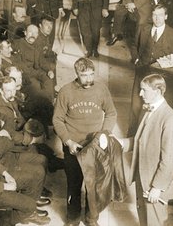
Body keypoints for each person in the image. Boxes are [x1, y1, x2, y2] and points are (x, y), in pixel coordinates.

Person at [53, 57, 117, 226]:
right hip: (74, 146)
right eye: (84, 75)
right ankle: (73, 218)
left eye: (91, 74)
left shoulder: (102, 90)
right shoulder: (66, 92)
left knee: (93, 185)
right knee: (74, 184)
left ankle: (91, 218)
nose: (89, 79)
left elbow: (111, 113)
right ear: (76, 73)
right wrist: (68, 141)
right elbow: (57, 120)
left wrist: (104, 134)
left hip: (94, 146)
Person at [120, 74, 173, 226]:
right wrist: (122, 143)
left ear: (158, 91)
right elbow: (141, 140)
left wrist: (157, 187)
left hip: (155, 182)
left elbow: (170, 159)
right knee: (144, 219)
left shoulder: (169, 119)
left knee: (154, 221)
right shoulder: (148, 110)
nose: (140, 94)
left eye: (144, 90)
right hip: (143, 176)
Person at [128, 4, 173, 136]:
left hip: (162, 77)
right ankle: (132, 136)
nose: (157, 18)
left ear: (166, 16)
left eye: (160, 15)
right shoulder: (143, 29)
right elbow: (134, 45)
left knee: (158, 107)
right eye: (154, 15)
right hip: (142, 72)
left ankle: (152, 136)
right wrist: (136, 59)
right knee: (136, 105)